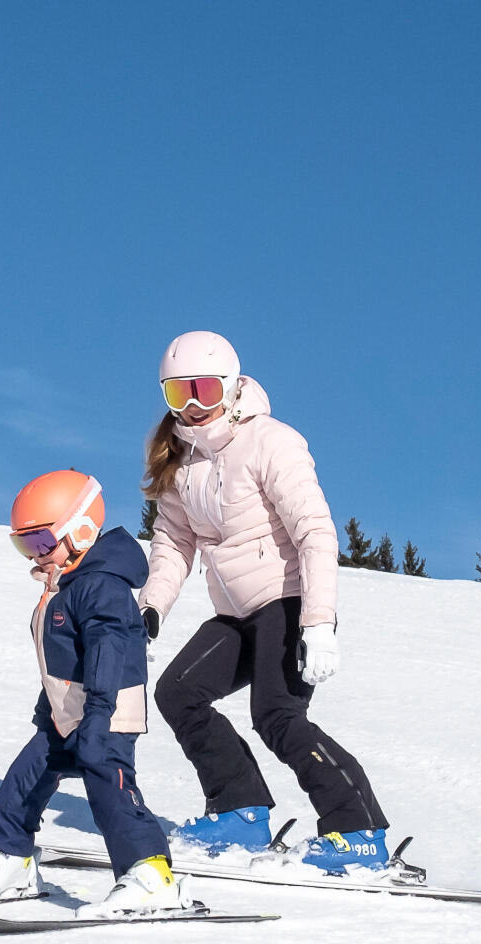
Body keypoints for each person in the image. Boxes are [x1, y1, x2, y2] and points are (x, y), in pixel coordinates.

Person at [138, 330, 389, 874]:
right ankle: (238, 812)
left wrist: (318, 623)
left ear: (231, 388)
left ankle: (359, 831)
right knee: (178, 694)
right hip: (236, 614)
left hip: (288, 602)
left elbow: (316, 532)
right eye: (179, 395)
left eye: (205, 390)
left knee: (277, 714)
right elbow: (173, 543)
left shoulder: (271, 442)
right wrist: (151, 606)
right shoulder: (179, 462)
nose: (195, 406)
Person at [0, 470, 185, 918]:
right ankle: (11, 859)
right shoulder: (65, 588)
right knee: (24, 779)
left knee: (109, 787)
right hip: (66, 716)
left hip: (106, 714)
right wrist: (46, 710)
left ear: (83, 531)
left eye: (41, 543)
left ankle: (152, 875)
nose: (34, 556)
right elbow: (58, 663)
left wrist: (98, 714)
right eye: (25, 546)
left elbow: (107, 654)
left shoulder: (101, 587)